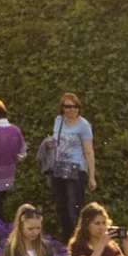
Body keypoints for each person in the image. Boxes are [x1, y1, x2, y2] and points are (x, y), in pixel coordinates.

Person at [45, 92, 95, 243]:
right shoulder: (58, 121)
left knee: (75, 208)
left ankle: (80, 241)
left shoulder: (84, 125)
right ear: (62, 108)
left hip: (76, 169)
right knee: (61, 207)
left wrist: (92, 176)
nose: (72, 109)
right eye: (68, 106)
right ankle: (66, 241)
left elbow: (89, 151)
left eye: (75, 106)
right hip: (59, 168)